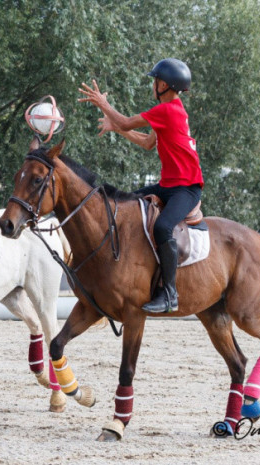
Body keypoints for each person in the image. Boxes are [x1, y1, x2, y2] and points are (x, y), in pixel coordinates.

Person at [78, 58, 203, 313]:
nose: (152, 85)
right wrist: (118, 128)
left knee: (163, 227)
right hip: (167, 184)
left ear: (164, 85)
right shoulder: (167, 112)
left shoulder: (168, 110)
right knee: (123, 205)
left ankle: (169, 294)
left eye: (155, 81)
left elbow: (125, 121)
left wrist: (104, 104)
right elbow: (147, 142)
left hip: (186, 188)